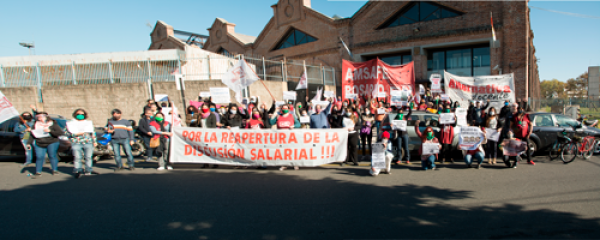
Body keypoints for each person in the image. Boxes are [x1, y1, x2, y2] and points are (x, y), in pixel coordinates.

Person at [28, 112, 64, 177]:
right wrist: (28, 143)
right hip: (40, 142)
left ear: (46, 117)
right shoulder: (35, 124)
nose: (40, 118)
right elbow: (32, 134)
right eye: (38, 116)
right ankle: (38, 171)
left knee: (52, 155)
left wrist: (50, 131)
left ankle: (54, 170)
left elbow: (59, 133)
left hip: (52, 141)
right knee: (39, 156)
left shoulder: (52, 124)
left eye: (41, 116)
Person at [66, 109, 98, 178]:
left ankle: (88, 170)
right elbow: (66, 133)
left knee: (88, 157)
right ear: (75, 114)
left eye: (82, 114)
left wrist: (94, 141)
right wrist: (75, 134)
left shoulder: (88, 123)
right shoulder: (71, 123)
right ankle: (78, 170)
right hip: (76, 142)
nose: (80, 115)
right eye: (78, 114)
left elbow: (93, 132)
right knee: (77, 157)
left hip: (88, 142)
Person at [270, 104, 300, 170]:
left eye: (286, 108)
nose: (284, 109)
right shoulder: (278, 116)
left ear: (289, 109)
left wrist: (294, 126)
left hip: (291, 137)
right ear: (281, 109)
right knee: (283, 151)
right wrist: (275, 112)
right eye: (283, 108)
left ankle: (295, 164)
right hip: (281, 138)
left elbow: (298, 124)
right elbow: (271, 122)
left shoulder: (292, 116)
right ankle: (284, 164)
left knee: (292, 150)